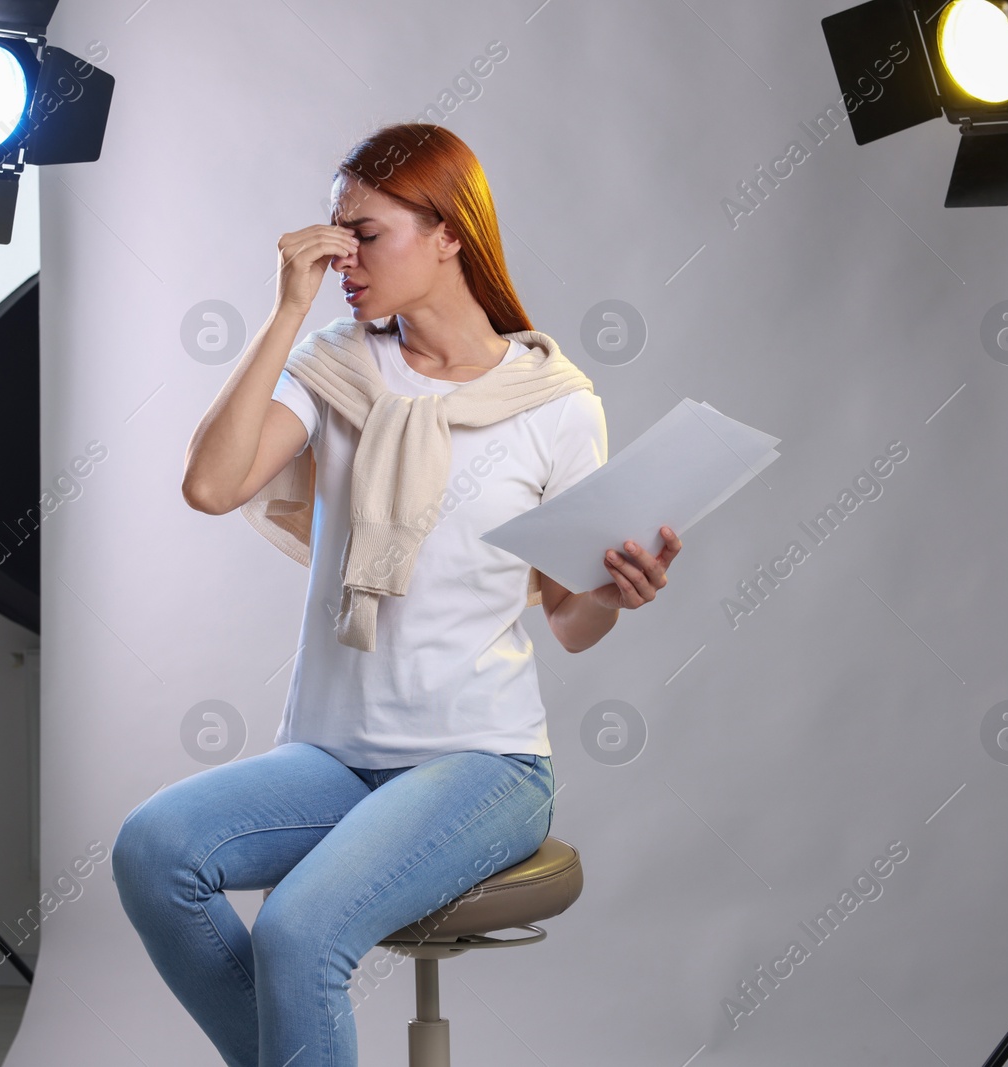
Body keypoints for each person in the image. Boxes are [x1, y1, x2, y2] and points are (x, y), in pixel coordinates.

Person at [111, 122, 681, 1067]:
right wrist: (286, 310)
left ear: (448, 232)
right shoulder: (339, 364)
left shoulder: (555, 405)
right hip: (333, 757)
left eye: (363, 233)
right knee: (153, 848)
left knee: (298, 932)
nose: (340, 256)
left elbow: (574, 624)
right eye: (332, 232)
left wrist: (618, 591)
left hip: (484, 763)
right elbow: (211, 485)